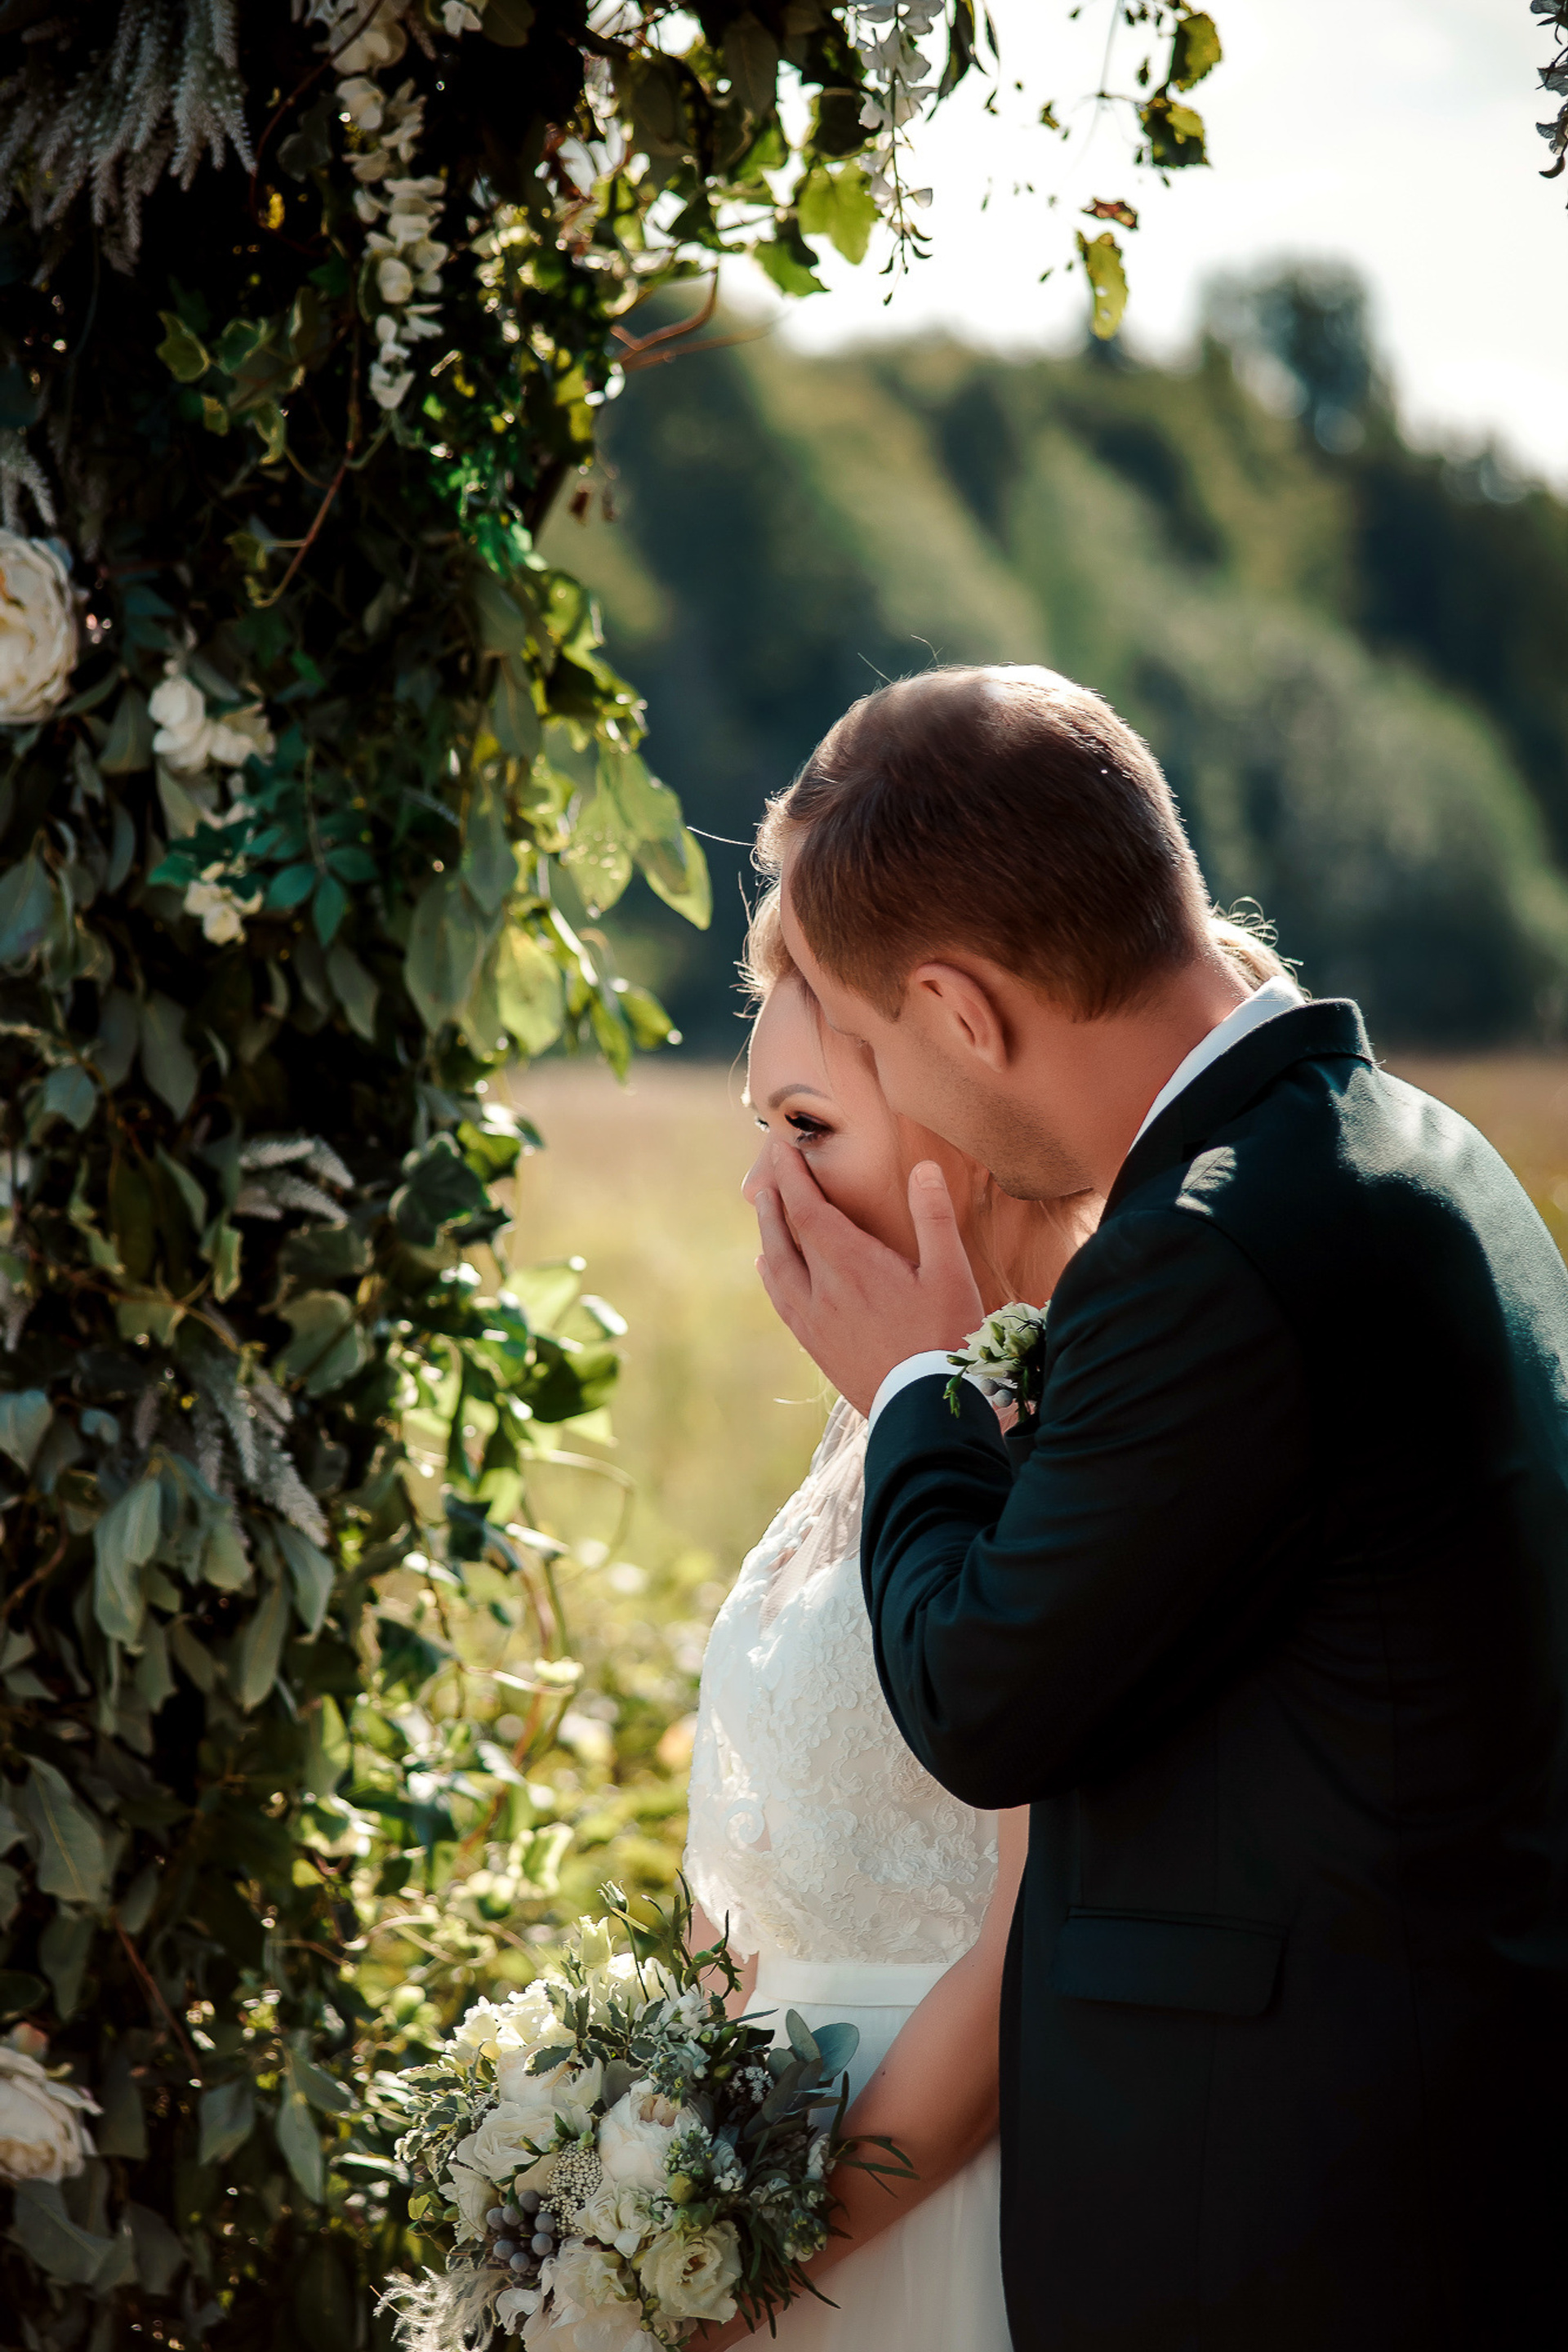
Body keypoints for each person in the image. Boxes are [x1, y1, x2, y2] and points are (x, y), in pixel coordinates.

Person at [746, 663, 1568, 2352]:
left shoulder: (1198, 1256)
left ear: (963, 1018)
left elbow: (988, 1696)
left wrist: (918, 1382)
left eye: (881, 1040)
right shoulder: (1416, 1151)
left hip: (1284, 2242)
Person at [683, 889, 1099, 2352]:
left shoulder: (1058, 1439)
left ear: (959, 1118)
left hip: (916, 2230)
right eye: (761, 1125)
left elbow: (1033, 1920)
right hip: (733, 2202)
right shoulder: (867, 1439)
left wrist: (761, 2262)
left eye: (808, 1125)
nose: (764, 1186)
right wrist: (629, 2155)